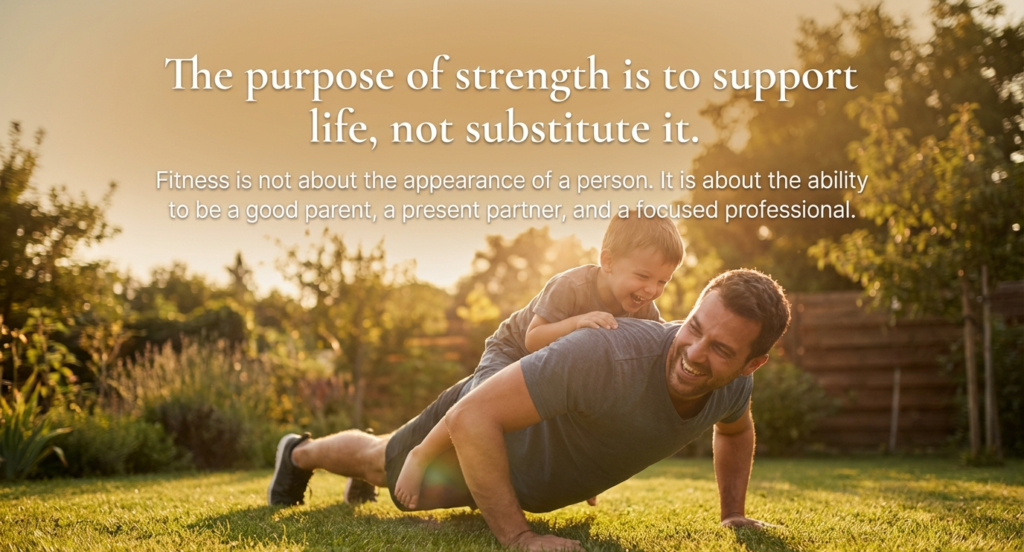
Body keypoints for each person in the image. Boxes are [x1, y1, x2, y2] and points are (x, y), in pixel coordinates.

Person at [268, 269, 790, 551]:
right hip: (482, 430)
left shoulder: (731, 391)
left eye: (721, 350)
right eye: (694, 327)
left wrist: (732, 514)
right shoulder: (605, 351)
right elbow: (472, 417)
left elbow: (736, 432)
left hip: (516, 470)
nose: (695, 352)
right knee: (380, 463)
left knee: (382, 465)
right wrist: (518, 537)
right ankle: (299, 453)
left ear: (752, 364)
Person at [392, 212, 683, 509]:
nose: (651, 290)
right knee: (480, 403)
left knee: (582, 416)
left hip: (555, 371)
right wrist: (579, 322)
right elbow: (534, 338)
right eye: (643, 276)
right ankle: (421, 454)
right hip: (512, 351)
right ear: (607, 262)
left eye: (662, 281)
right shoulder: (570, 286)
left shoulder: (645, 311)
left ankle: (579, 480)